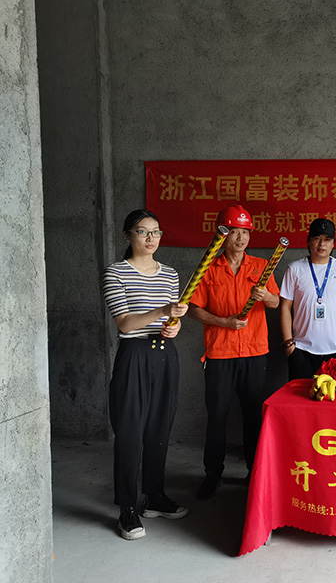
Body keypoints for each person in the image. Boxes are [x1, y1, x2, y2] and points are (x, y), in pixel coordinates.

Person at [101, 209, 189, 541]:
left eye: (156, 231)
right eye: (142, 231)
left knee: (159, 430)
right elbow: (125, 323)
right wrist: (163, 311)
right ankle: (127, 508)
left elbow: (171, 321)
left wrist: (173, 326)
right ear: (128, 236)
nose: (151, 238)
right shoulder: (116, 272)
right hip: (134, 355)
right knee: (130, 433)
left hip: (165, 356)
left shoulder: (170, 274)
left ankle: (154, 496)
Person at [187, 205, 280, 500]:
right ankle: (213, 474)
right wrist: (223, 322)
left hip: (254, 352)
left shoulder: (262, 267)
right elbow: (193, 309)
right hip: (220, 353)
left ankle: (255, 473)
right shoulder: (208, 268)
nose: (241, 238)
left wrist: (266, 296)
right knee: (217, 416)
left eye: (245, 232)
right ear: (223, 234)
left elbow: (276, 303)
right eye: (235, 231)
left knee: (253, 415)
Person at [280, 218, 336, 380]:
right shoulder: (294, 269)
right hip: (302, 351)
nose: (322, 244)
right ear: (308, 241)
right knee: (301, 396)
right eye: (317, 238)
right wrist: (289, 344)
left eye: (327, 239)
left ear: (333, 244)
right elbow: (285, 307)